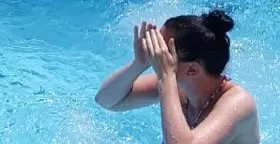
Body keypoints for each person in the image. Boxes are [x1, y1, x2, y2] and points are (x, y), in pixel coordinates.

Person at [94, 10, 259, 144]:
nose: (155, 54)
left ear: (192, 69)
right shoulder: (179, 84)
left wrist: (165, 77)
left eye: (162, 52)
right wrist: (138, 64)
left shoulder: (238, 103)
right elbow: (106, 101)